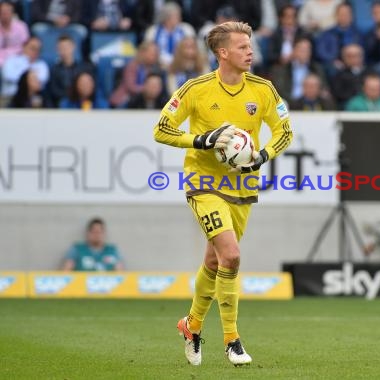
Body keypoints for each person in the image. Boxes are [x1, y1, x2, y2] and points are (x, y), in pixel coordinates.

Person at [153, 21, 293, 366]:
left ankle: (191, 325)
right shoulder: (195, 89)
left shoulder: (263, 89)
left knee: (215, 261)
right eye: (243, 47)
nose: (251, 52)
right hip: (203, 183)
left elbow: (284, 131)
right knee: (231, 256)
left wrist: (261, 155)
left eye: (251, 46)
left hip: (242, 187)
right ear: (223, 53)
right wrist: (199, 140)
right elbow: (162, 129)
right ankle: (232, 340)